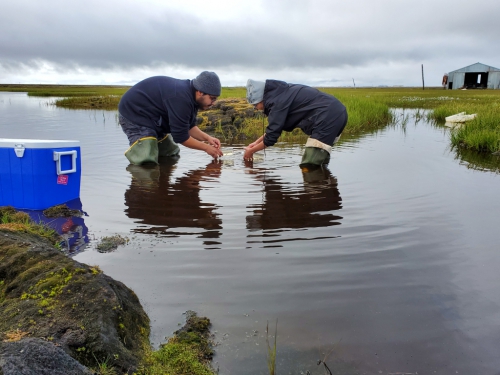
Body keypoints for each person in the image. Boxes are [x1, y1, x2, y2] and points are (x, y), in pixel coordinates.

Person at [118, 71, 224, 165]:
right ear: (200, 92)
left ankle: (163, 184)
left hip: (154, 117)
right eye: (212, 98)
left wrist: (208, 138)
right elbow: (181, 137)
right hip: (133, 113)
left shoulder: (193, 97)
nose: (213, 103)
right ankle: (146, 185)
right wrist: (206, 148)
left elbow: (189, 127)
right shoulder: (181, 98)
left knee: (170, 153)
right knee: (147, 160)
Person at [244, 79, 348, 167]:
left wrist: (251, 151)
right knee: (320, 162)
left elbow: (271, 137)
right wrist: (255, 144)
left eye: (255, 105)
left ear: (261, 100)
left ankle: (316, 188)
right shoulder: (279, 94)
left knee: (309, 166)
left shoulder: (277, 102)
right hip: (336, 113)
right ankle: (324, 187)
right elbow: (274, 129)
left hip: (327, 118)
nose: (256, 108)